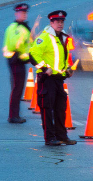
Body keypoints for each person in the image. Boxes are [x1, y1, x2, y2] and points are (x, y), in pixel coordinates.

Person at [30, 10, 77, 146]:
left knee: (60, 109)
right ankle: (49, 138)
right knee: (47, 108)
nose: (60, 24)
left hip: (58, 79)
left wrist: (67, 69)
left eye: (62, 21)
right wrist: (45, 68)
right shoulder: (45, 37)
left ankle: (62, 136)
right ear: (51, 22)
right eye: (57, 21)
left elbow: (62, 58)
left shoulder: (63, 38)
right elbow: (33, 55)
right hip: (47, 79)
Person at [2, 3, 33, 124]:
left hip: (18, 61)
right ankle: (13, 116)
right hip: (16, 61)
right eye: (22, 13)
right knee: (16, 89)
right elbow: (15, 45)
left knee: (18, 89)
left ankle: (15, 115)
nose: (24, 15)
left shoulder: (20, 27)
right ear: (16, 14)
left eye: (25, 13)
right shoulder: (16, 28)